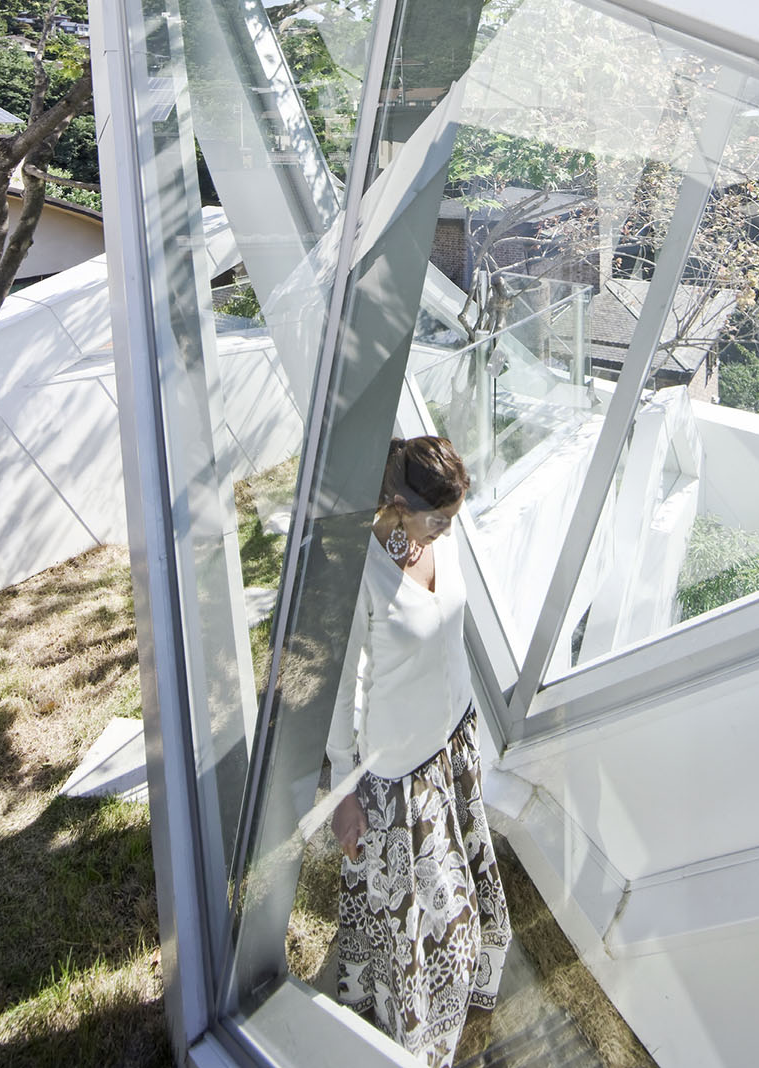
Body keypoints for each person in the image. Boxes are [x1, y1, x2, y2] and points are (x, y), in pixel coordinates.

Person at [327, 435, 511, 1068]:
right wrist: (344, 793)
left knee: (462, 911)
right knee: (430, 935)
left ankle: (446, 1021)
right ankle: (413, 1042)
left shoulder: (432, 536)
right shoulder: (363, 574)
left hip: (452, 747)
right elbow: (343, 690)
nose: (447, 531)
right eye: (439, 519)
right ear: (399, 506)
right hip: (399, 775)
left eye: (453, 519)